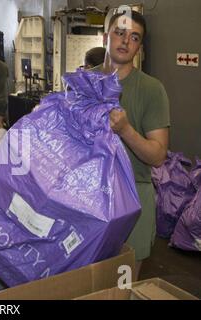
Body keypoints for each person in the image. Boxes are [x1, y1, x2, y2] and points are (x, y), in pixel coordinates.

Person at [95, 10, 170, 279]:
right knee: (85, 281)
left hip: (132, 198)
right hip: (87, 196)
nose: (126, 41)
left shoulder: (151, 90)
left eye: (134, 37)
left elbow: (158, 155)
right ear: (106, 37)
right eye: (120, 33)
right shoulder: (85, 84)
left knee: (122, 285)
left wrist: (126, 130)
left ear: (139, 46)